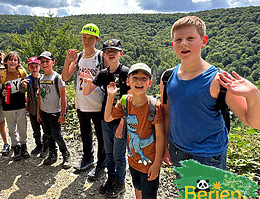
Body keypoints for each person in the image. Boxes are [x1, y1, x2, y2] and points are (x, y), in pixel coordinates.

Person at [161, 16, 260, 170]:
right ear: (173, 44)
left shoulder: (219, 80)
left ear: (204, 41)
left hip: (208, 156)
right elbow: (167, 113)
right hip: (178, 151)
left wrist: (253, 95)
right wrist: (165, 145)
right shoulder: (167, 77)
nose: (184, 43)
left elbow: (253, 122)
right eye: (178, 39)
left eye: (190, 38)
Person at [105, 63, 164, 199]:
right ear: (128, 81)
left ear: (149, 83)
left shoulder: (154, 106)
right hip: (132, 160)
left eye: (144, 78)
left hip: (149, 163)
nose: (139, 81)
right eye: (135, 77)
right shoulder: (125, 102)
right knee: (137, 187)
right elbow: (108, 118)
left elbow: (160, 137)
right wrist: (110, 96)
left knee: (149, 195)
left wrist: (156, 164)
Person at [82, 39, 130, 198]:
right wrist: (88, 82)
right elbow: (87, 92)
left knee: (119, 154)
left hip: (121, 120)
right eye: (108, 51)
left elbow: (131, 100)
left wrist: (123, 121)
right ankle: (111, 179)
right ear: (103, 54)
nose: (111, 54)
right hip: (106, 118)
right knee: (109, 153)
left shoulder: (126, 73)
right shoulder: (103, 73)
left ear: (120, 54)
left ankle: (120, 182)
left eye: (114, 51)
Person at [62, 23, 106, 179]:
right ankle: (88, 158)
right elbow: (65, 77)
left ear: (97, 39)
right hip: (81, 102)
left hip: (98, 103)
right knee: (85, 133)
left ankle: (101, 164)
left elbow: (108, 77)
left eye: (90, 38)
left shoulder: (101, 56)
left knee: (101, 136)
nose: (86, 41)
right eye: (84, 37)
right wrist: (68, 61)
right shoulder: (79, 56)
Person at [37, 51, 71, 169]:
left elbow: (63, 97)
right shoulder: (41, 78)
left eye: (47, 61)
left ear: (53, 63)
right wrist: (38, 112)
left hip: (55, 113)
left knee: (56, 135)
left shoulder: (57, 77)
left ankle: (65, 153)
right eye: (42, 61)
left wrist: (63, 113)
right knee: (48, 134)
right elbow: (39, 96)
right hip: (44, 112)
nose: (44, 64)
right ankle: (52, 154)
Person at [0, 51, 29, 161]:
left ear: (18, 62)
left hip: (20, 105)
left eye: (15, 60)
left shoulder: (22, 73)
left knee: (22, 128)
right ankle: (15, 147)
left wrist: (24, 85)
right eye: (10, 59)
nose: (13, 62)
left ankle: (23, 145)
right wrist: (2, 93)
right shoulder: (1, 76)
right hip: (8, 107)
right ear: (5, 62)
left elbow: (27, 88)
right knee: (11, 129)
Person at [20, 57, 48, 157]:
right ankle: (38, 145)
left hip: (44, 109)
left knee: (45, 129)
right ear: (28, 68)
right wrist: (22, 85)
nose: (34, 68)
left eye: (36, 66)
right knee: (36, 130)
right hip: (32, 110)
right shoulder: (27, 80)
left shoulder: (44, 78)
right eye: (32, 67)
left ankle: (46, 147)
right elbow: (22, 91)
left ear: (39, 67)